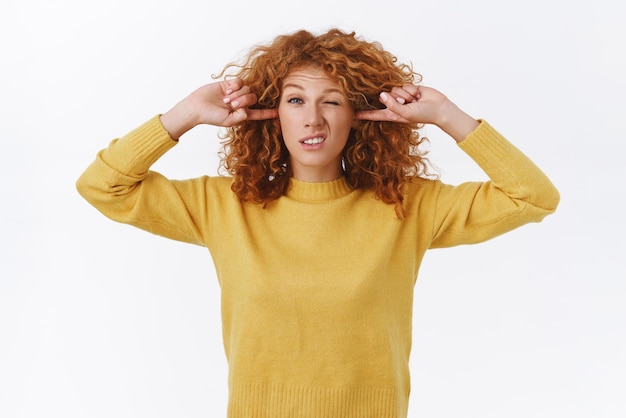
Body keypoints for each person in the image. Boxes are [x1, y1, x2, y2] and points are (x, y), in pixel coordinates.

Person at [76, 28, 559, 418]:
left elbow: (533, 197)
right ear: (272, 113)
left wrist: (447, 116)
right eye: (295, 100)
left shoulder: (406, 206)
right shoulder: (224, 205)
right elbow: (102, 186)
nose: (313, 119)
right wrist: (183, 115)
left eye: (331, 101)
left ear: (358, 114)